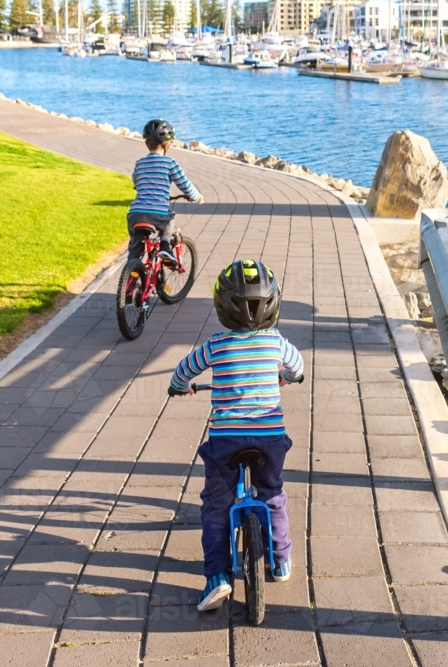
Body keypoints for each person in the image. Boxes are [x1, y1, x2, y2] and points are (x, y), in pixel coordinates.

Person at [169, 259, 304, 612]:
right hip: (269, 438)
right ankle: (282, 560)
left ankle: (217, 576)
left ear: (222, 308)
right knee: (272, 494)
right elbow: (298, 368)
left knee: (216, 506)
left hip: (226, 441)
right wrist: (286, 379)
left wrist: (179, 387)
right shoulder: (277, 343)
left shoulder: (215, 345)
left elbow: (183, 371)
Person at [127, 119, 203, 266]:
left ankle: (130, 282)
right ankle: (165, 247)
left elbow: (136, 180)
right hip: (157, 213)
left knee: (135, 251)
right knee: (169, 218)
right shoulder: (170, 162)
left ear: (146, 143)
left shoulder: (139, 163)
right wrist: (197, 196)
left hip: (135, 214)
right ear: (167, 144)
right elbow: (184, 184)